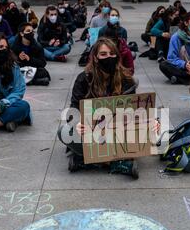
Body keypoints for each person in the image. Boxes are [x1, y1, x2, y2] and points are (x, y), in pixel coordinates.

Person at [57, 37, 139, 178]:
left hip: (116, 131)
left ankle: (88, 160)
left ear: (117, 56)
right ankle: (114, 162)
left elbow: (133, 110)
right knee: (65, 131)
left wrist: (150, 122)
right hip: (91, 131)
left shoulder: (127, 79)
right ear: (95, 58)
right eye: (103, 54)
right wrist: (77, 123)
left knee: (148, 133)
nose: (109, 57)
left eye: (112, 54)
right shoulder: (84, 78)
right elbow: (74, 108)